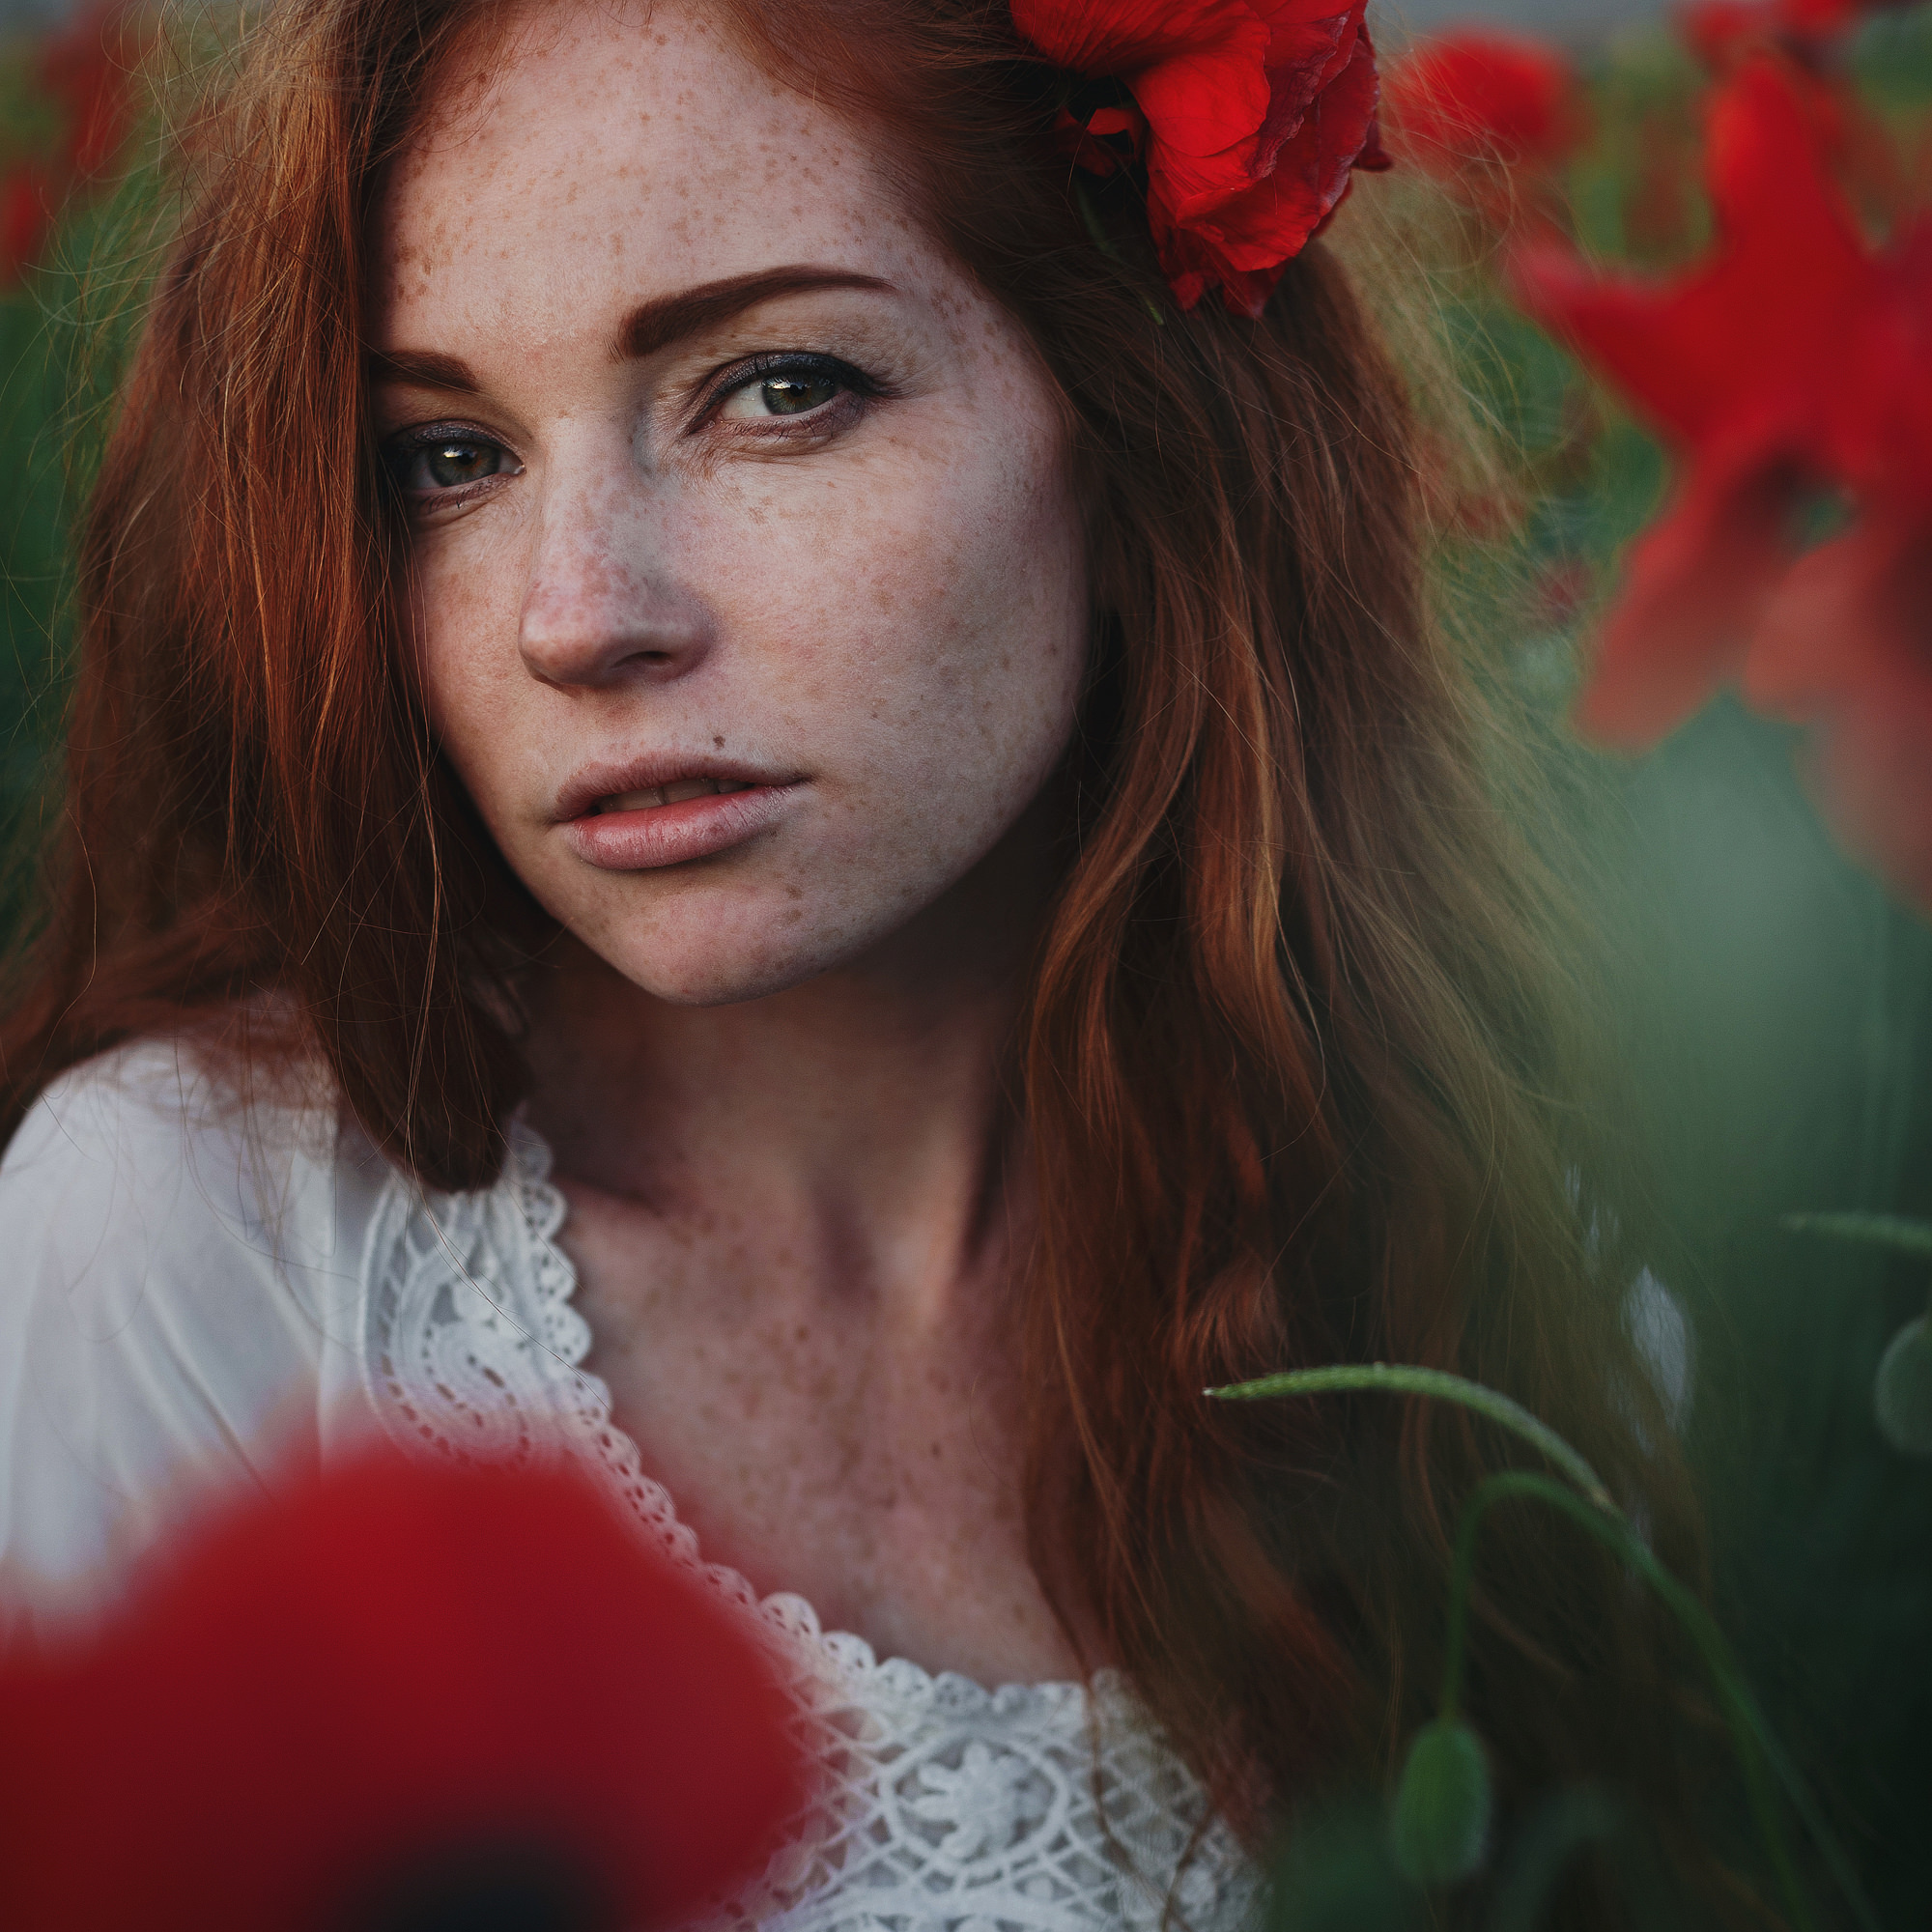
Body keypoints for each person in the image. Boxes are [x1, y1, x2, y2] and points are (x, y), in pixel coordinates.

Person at [0, 2, 1719, 1926]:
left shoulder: (1473, 1289)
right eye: (449, 455)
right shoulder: (198, 1241)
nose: (578, 617)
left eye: (782, 387)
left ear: (1144, 429)